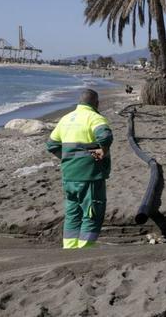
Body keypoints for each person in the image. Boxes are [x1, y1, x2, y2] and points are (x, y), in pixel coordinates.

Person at [46, 89, 113, 249]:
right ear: (96, 103)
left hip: (69, 176)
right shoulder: (95, 118)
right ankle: (85, 249)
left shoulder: (66, 119)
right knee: (92, 213)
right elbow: (105, 136)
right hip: (89, 176)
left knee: (72, 213)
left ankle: (69, 248)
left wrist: (68, 157)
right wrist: (102, 151)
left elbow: (51, 145)